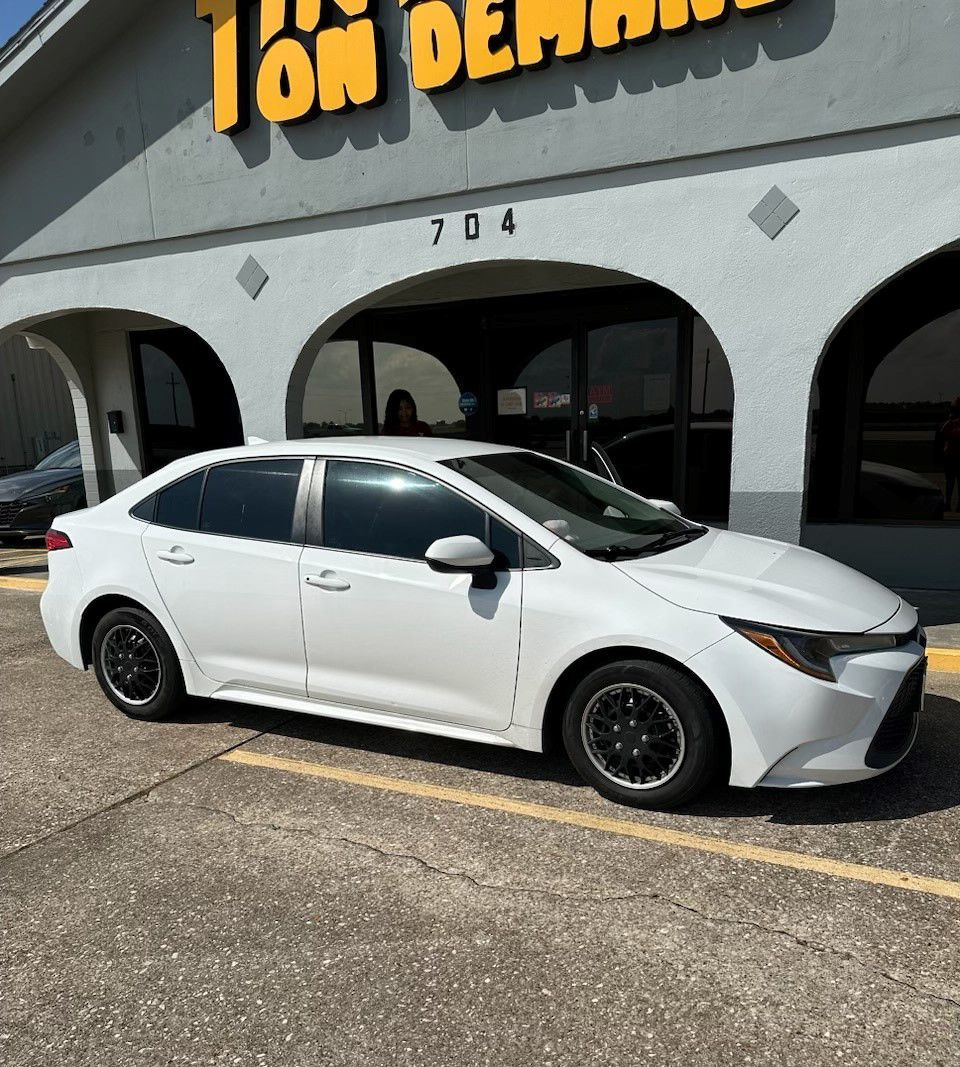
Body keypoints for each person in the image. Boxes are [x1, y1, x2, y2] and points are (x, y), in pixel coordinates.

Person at [940, 397, 960, 512]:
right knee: (951, 482)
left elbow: (945, 434)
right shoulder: (950, 423)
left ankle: (951, 504)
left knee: (951, 482)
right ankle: (949, 504)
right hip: (951, 456)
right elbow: (944, 433)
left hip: (952, 456)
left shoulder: (951, 424)